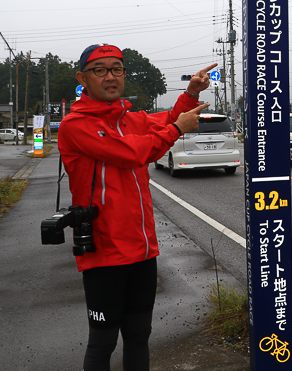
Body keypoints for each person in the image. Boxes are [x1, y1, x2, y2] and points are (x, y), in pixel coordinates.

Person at [57, 43, 217, 371]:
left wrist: (189, 94)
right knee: (102, 343)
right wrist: (176, 130)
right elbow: (132, 153)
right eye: (100, 70)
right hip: (103, 251)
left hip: (143, 250)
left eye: (117, 69)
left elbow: (167, 120)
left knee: (139, 336)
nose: (110, 76)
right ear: (82, 78)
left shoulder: (130, 119)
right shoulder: (76, 125)